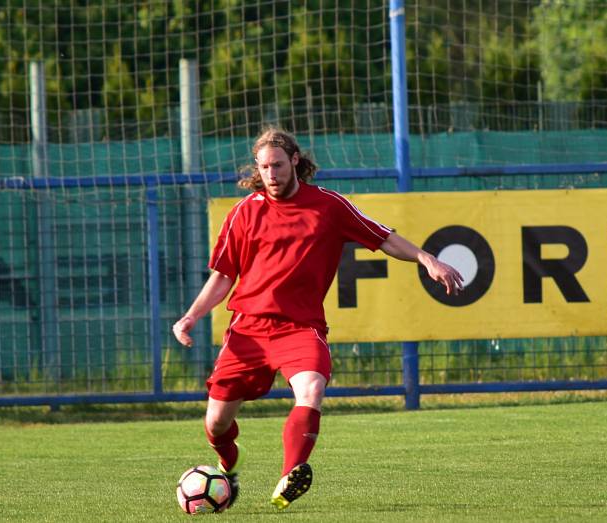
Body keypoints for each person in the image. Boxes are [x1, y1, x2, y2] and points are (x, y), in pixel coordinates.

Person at [172, 127, 464, 510]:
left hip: (300, 327)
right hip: (248, 329)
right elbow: (224, 275)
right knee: (216, 424)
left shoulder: (328, 206)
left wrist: (427, 258)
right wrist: (191, 317)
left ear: (295, 160)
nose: (271, 174)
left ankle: (289, 477)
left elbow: (384, 238)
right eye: (263, 168)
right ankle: (230, 464)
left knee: (311, 390)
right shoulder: (245, 211)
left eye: (277, 165)